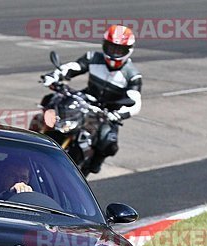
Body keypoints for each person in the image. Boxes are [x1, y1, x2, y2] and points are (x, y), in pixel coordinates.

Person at [42, 24, 142, 175]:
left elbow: (135, 102)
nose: (114, 53)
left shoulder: (132, 75)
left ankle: (91, 166)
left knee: (108, 143)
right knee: (52, 103)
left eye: (119, 49)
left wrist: (118, 114)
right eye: (111, 47)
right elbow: (74, 66)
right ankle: (35, 139)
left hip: (107, 112)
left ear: (128, 50)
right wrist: (54, 75)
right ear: (104, 45)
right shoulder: (93, 57)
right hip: (84, 100)